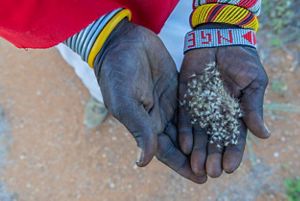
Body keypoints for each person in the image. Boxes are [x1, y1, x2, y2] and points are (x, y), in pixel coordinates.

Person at [0, 0, 270, 184]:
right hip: (68, 11)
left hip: (178, 6)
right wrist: (101, 37)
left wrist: (224, 18)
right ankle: (99, 95)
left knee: (177, 56)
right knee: (104, 73)